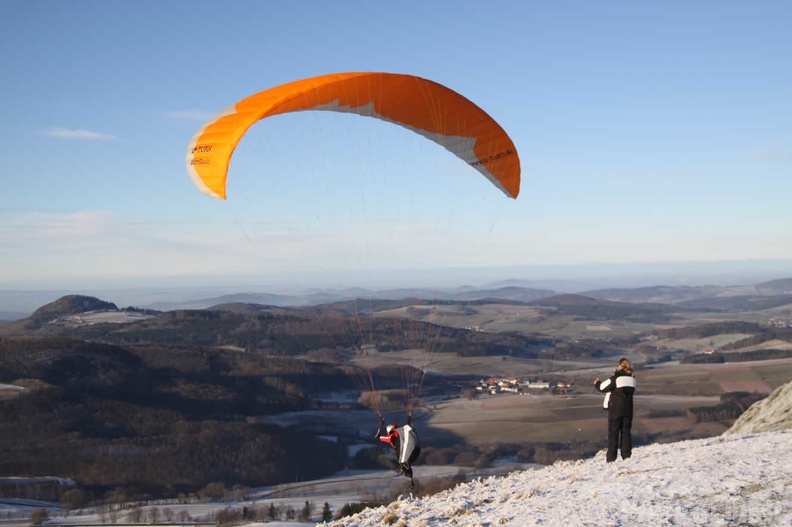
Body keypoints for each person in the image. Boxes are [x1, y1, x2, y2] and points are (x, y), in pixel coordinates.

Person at [594, 357, 637, 462]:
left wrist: (597, 383)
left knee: (613, 434)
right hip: (628, 410)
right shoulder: (633, 379)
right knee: (626, 433)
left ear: (621, 366)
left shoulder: (616, 378)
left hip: (616, 410)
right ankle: (626, 456)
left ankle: (611, 458)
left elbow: (602, 388)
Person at [377, 414, 421, 485]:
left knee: (384, 457)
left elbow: (388, 438)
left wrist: (379, 436)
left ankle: (398, 469)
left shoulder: (395, 434)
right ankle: (410, 480)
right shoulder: (401, 431)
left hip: (404, 453)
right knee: (406, 465)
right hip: (414, 451)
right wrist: (383, 423)